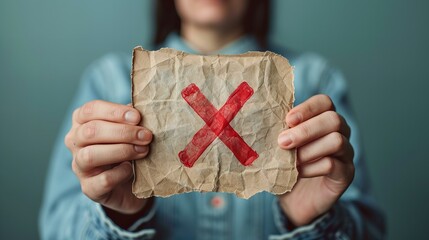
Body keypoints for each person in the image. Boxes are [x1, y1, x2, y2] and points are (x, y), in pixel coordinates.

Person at [39, 0, 385, 239]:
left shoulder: (315, 81)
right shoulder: (109, 81)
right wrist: (121, 216)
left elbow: (370, 230)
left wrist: (311, 220)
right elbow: (55, 230)